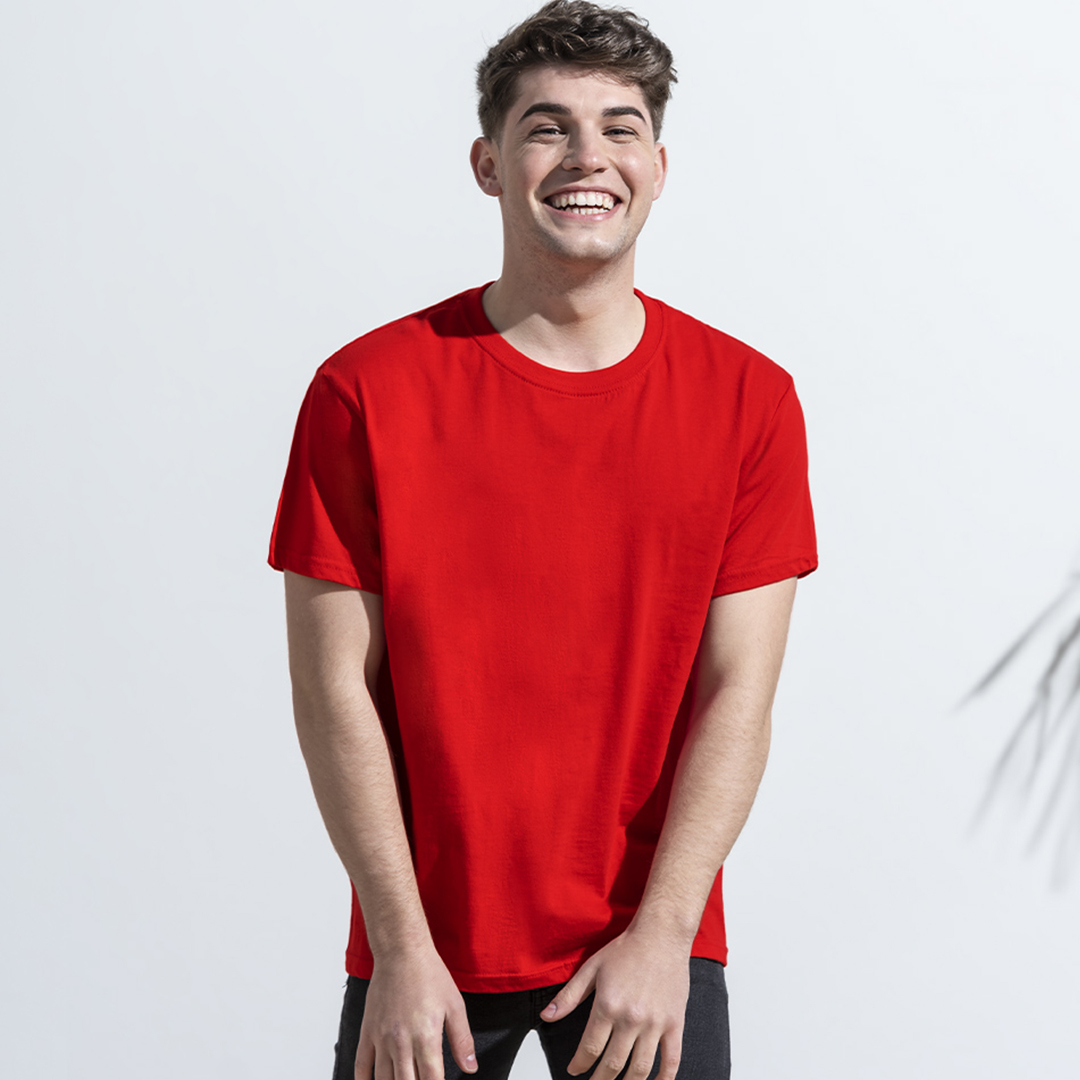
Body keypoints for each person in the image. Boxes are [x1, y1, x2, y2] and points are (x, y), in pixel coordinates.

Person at [269, 2, 817, 1078]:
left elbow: (738, 695)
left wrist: (666, 934)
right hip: (426, 951)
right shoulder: (364, 392)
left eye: (619, 128)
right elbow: (334, 691)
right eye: (546, 127)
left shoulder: (749, 401)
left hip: (643, 948)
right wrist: (400, 946)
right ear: (488, 163)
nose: (586, 157)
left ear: (659, 168)